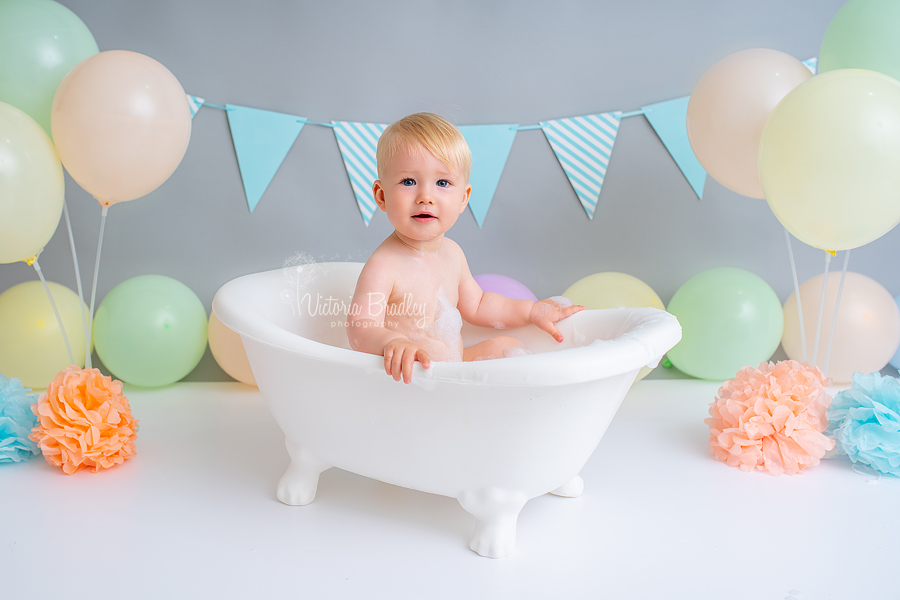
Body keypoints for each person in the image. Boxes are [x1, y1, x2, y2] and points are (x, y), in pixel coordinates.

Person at [347, 113, 583, 383]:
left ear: (463, 198)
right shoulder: (384, 266)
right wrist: (392, 342)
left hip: (450, 373)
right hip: (408, 380)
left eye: (443, 183)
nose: (426, 196)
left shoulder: (452, 253)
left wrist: (530, 311)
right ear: (381, 196)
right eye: (409, 181)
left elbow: (480, 304)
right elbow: (360, 327)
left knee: (506, 346)